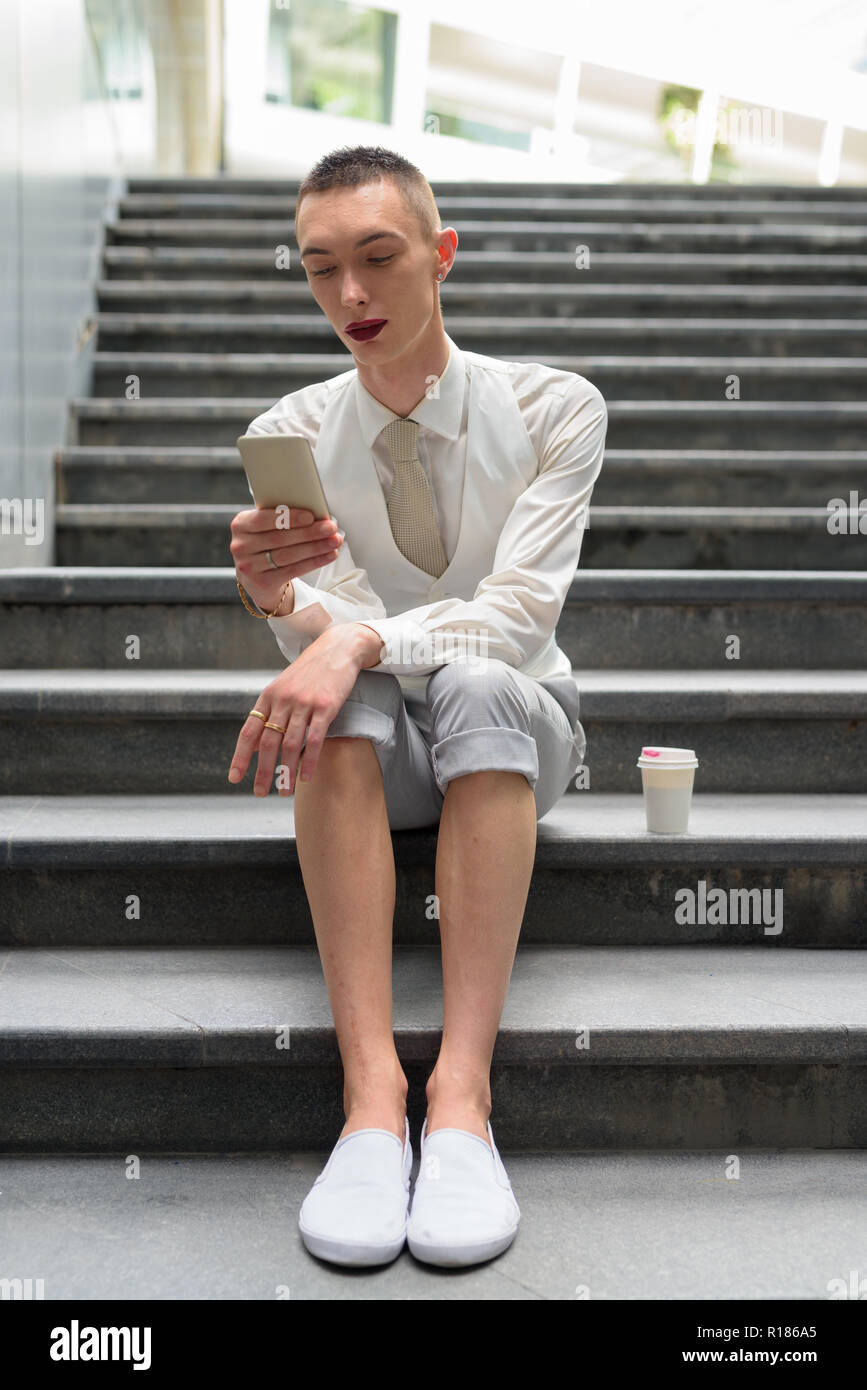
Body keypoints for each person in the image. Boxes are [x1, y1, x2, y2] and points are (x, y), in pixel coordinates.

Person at [227, 145, 608, 1268]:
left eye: (379, 258)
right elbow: (325, 634)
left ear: (441, 255)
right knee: (338, 708)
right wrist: (277, 598)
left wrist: (342, 635)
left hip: (516, 725)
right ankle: (370, 1098)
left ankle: (461, 1099)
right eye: (321, 268)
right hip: (377, 751)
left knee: (484, 679)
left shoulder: (555, 408)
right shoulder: (291, 430)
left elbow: (519, 616)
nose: (350, 295)